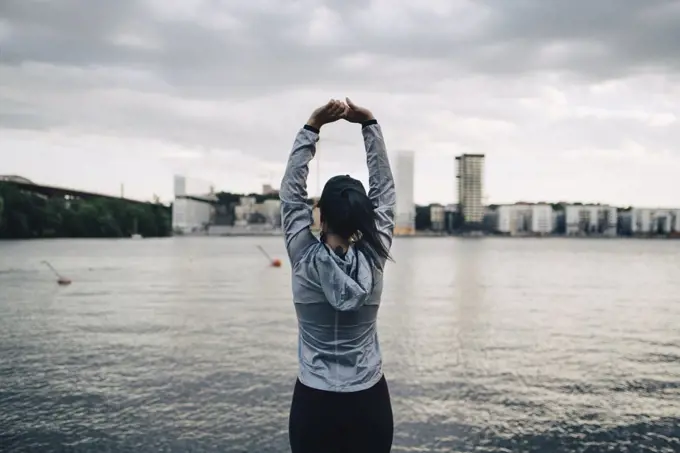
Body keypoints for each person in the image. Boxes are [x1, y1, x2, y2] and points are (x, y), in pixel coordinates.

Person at [279, 98, 397, 453]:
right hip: (369, 402)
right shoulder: (375, 256)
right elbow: (386, 192)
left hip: (315, 403)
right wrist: (369, 124)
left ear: (320, 215)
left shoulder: (303, 256)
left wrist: (312, 126)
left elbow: (290, 193)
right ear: (363, 217)